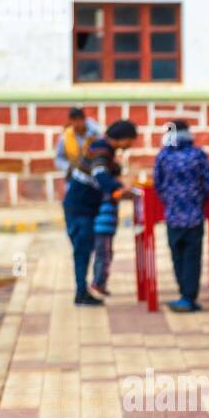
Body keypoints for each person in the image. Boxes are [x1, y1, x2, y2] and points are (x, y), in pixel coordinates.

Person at [63, 119, 137, 306]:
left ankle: (83, 291)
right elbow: (100, 173)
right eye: (131, 140)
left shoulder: (105, 150)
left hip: (84, 208)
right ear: (123, 138)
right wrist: (116, 190)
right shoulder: (101, 149)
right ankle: (81, 293)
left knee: (85, 251)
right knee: (82, 252)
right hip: (79, 208)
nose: (131, 144)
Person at [152, 120, 209, 313]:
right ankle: (189, 297)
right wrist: (197, 200)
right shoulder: (198, 155)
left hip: (173, 216)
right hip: (194, 216)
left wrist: (171, 200)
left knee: (177, 255)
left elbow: (158, 184)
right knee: (192, 257)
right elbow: (207, 185)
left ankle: (184, 295)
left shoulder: (163, 157)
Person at [90, 158, 122, 297]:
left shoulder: (101, 187)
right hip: (103, 229)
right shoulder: (110, 188)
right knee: (104, 257)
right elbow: (119, 194)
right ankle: (98, 283)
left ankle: (99, 283)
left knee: (103, 256)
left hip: (104, 228)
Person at [53, 106, 103, 178]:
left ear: (84, 119)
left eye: (79, 120)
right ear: (70, 121)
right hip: (74, 174)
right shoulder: (65, 136)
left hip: (93, 171)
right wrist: (68, 167)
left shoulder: (95, 132)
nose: (77, 123)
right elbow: (58, 159)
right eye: (74, 120)